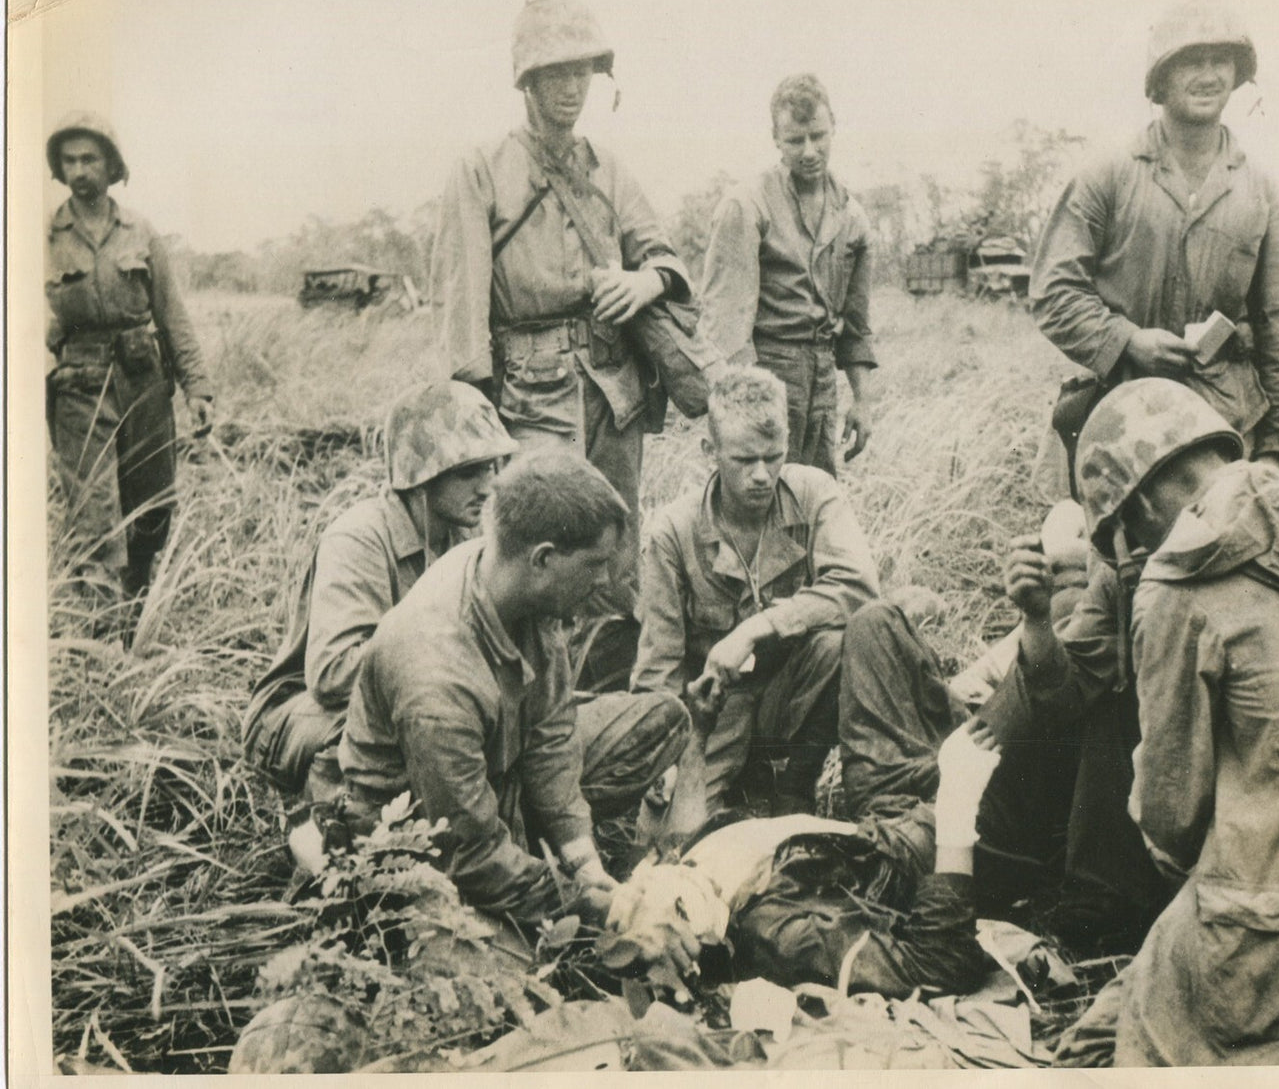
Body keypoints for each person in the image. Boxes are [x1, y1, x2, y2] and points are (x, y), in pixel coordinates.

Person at [1057, 378, 1279, 1066]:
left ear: (1139, 503)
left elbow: (1172, 820)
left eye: (1125, 535)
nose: (1134, 553)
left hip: (1271, 942)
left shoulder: (1176, 586)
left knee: (1098, 1048)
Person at [431, 0, 692, 686]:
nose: (572, 88)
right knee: (535, 552)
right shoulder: (481, 169)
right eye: (556, 73)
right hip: (529, 393)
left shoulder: (610, 170)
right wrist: (475, 416)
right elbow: (462, 305)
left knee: (613, 549)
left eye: (582, 73)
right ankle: (528, 704)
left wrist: (644, 283)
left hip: (613, 391)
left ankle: (605, 703)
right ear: (527, 80)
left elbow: (665, 257)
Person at [337, 451, 690, 928]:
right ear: (543, 559)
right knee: (498, 959)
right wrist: (596, 907)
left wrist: (582, 858)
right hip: (423, 835)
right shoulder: (436, 674)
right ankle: (518, 875)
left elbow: (552, 734)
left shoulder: (516, 583)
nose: (605, 580)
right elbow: (469, 854)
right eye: (595, 564)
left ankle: (529, 847)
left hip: (499, 775)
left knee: (661, 720)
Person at [836, 503, 1174, 956]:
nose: (1115, 543)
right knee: (872, 622)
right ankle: (898, 820)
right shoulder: (1105, 581)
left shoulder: (1145, 600)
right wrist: (1033, 620)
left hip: (1011, 781)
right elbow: (1030, 677)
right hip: (974, 733)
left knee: (881, 859)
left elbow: (1058, 698)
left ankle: (905, 841)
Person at [1030, 2, 1279, 473]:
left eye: (1220, 60)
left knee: (1228, 522)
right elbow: (1053, 291)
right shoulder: (1107, 175)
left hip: (1224, 429)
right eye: (1190, 61)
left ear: (1237, 74)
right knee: (1084, 525)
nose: (1208, 75)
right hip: (1117, 423)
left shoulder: (1260, 191)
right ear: (1160, 79)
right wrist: (1126, 340)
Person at [604, 711, 1002, 1000]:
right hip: (958, 838)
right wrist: (958, 802)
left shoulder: (687, 874)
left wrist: (701, 727)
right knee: (1027, 685)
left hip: (886, 803)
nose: (642, 880)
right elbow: (939, 965)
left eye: (638, 885)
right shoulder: (779, 935)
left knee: (872, 628)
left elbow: (679, 837)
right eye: (671, 911)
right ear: (694, 939)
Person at [243, 381, 518, 799]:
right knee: (396, 742)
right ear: (421, 475)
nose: (488, 486)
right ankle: (332, 831)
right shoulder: (358, 538)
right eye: (468, 472)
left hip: (399, 701)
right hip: (300, 713)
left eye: (492, 468)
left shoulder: (463, 538)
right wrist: (449, 660)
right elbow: (333, 676)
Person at [631, 366, 880, 815]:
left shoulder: (814, 493)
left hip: (790, 696)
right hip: (712, 714)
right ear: (710, 451)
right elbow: (657, 666)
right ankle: (743, 782)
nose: (762, 475)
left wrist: (754, 629)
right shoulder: (675, 532)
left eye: (773, 456)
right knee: (666, 833)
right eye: (744, 461)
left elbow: (858, 586)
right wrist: (661, 758)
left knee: (843, 640)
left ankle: (795, 786)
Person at [45, 112, 214, 608]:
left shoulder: (140, 231)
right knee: (93, 511)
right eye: (69, 160)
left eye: (90, 159)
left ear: (112, 164)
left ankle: (137, 600)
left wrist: (197, 388)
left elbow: (171, 314)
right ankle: (101, 620)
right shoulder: (44, 235)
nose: (79, 170)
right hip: (79, 387)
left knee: (152, 502)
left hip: (143, 382)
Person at [696, 74, 876, 476]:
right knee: (761, 491)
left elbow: (857, 327)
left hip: (823, 378)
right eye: (795, 140)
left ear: (834, 128)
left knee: (816, 493)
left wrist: (862, 401)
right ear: (775, 138)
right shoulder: (746, 206)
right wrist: (745, 411)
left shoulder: (853, 218)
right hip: (767, 370)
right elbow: (726, 325)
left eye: (818, 136)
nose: (809, 151)